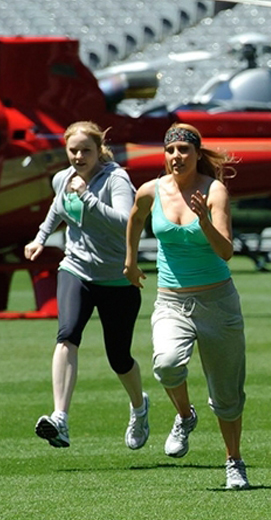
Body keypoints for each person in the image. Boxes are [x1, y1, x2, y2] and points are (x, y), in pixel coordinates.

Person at [124, 123, 249, 489]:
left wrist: (205, 221)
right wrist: (130, 262)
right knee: (166, 365)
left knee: (227, 395)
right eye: (171, 150)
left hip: (217, 302)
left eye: (184, 150)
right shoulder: (151, 190)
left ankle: (234, 461)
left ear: (196, 154)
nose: (176, 156)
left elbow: (226, 251)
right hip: (171, 300)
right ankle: (185, 415)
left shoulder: (214, 191)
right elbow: (135, 217)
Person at [26, 121, 147, 450]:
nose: (78, 157)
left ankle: (139, 408)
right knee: (67, 335)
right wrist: (40, 238)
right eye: (73, 150)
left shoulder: (115, 179)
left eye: (85, 151)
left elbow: (127, 221)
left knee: (119, 357)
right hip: (75, 269)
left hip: (117, 278)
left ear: (98, 150)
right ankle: (60, 418)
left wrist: (88, 197)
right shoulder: (63, 178)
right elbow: (57, 208)